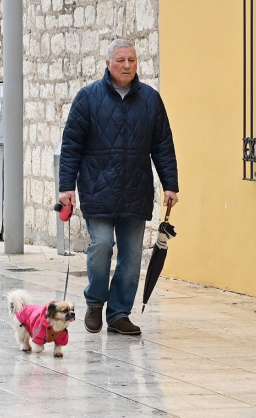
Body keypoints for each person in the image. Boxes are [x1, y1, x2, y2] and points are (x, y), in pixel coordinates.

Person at [59, 39, 179, 336]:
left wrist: (170, 185)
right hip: (98, 189)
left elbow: (163, 145)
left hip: (135, 191)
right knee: (101, 246)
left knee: (132, 257)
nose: (127, 65)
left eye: (132, 60)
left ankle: (119, 314)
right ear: (108, 63)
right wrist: (66, 187)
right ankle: (96, 302)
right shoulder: (87, 98)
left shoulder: (151, 100)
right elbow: (71, 145)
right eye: (121, 60)